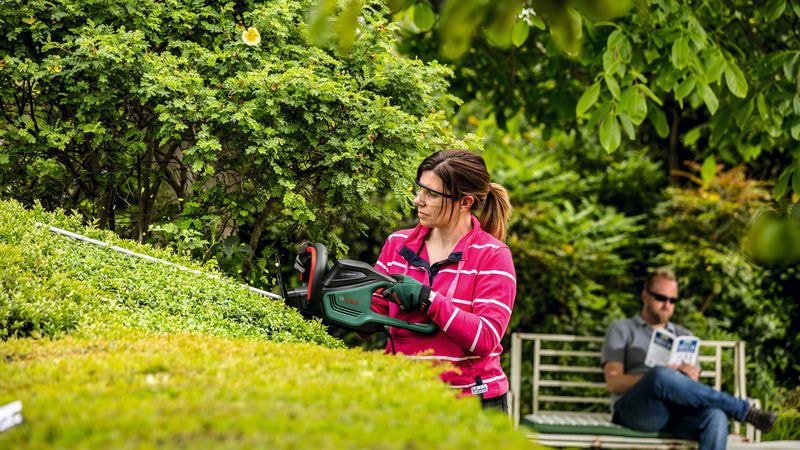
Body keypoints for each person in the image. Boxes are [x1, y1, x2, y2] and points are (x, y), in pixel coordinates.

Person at [369, 149, 516, 412]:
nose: (418, 200)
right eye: (420, 189)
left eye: (432, 194)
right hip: (402, 397)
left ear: (465, 202)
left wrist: (428, 300)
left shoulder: (492, 255)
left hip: (472, 402)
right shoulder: (397, 245)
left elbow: (486, 338)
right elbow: (371, 317)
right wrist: (326, 291)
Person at [601, 268, 777, 450]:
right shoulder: (621, 329)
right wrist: (659, 378)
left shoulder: (683, 336)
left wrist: (689, 376)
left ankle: (740, 410)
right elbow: (614, 382)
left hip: (676, 412)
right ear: (645, 295)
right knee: (660, 375)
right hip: (638, 410)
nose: (667, 305)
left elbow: (692, 389)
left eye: (673, 300)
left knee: (716, 416)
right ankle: (743, 410)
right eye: (661, 298)